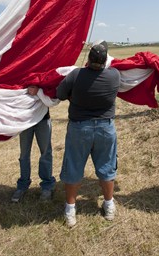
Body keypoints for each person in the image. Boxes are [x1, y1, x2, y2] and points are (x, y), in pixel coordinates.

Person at [56, 41, 120, 227]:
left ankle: (70, 210)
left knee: (74, 166)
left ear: (89, 59)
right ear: (105, 61)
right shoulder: (114, 76)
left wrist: (73, 96)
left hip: (79, 129)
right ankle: (108, 205)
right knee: (107, 167)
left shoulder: (76, 74)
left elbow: (60, 94)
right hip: (105, 129)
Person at [11, 87, 56, 203]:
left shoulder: (43, 74)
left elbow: (52, 94)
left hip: (43, 119)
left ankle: (47, 186)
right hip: (25, 120)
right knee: (24, 154)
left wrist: (39, 91)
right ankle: (22, 186)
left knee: (46, 153)